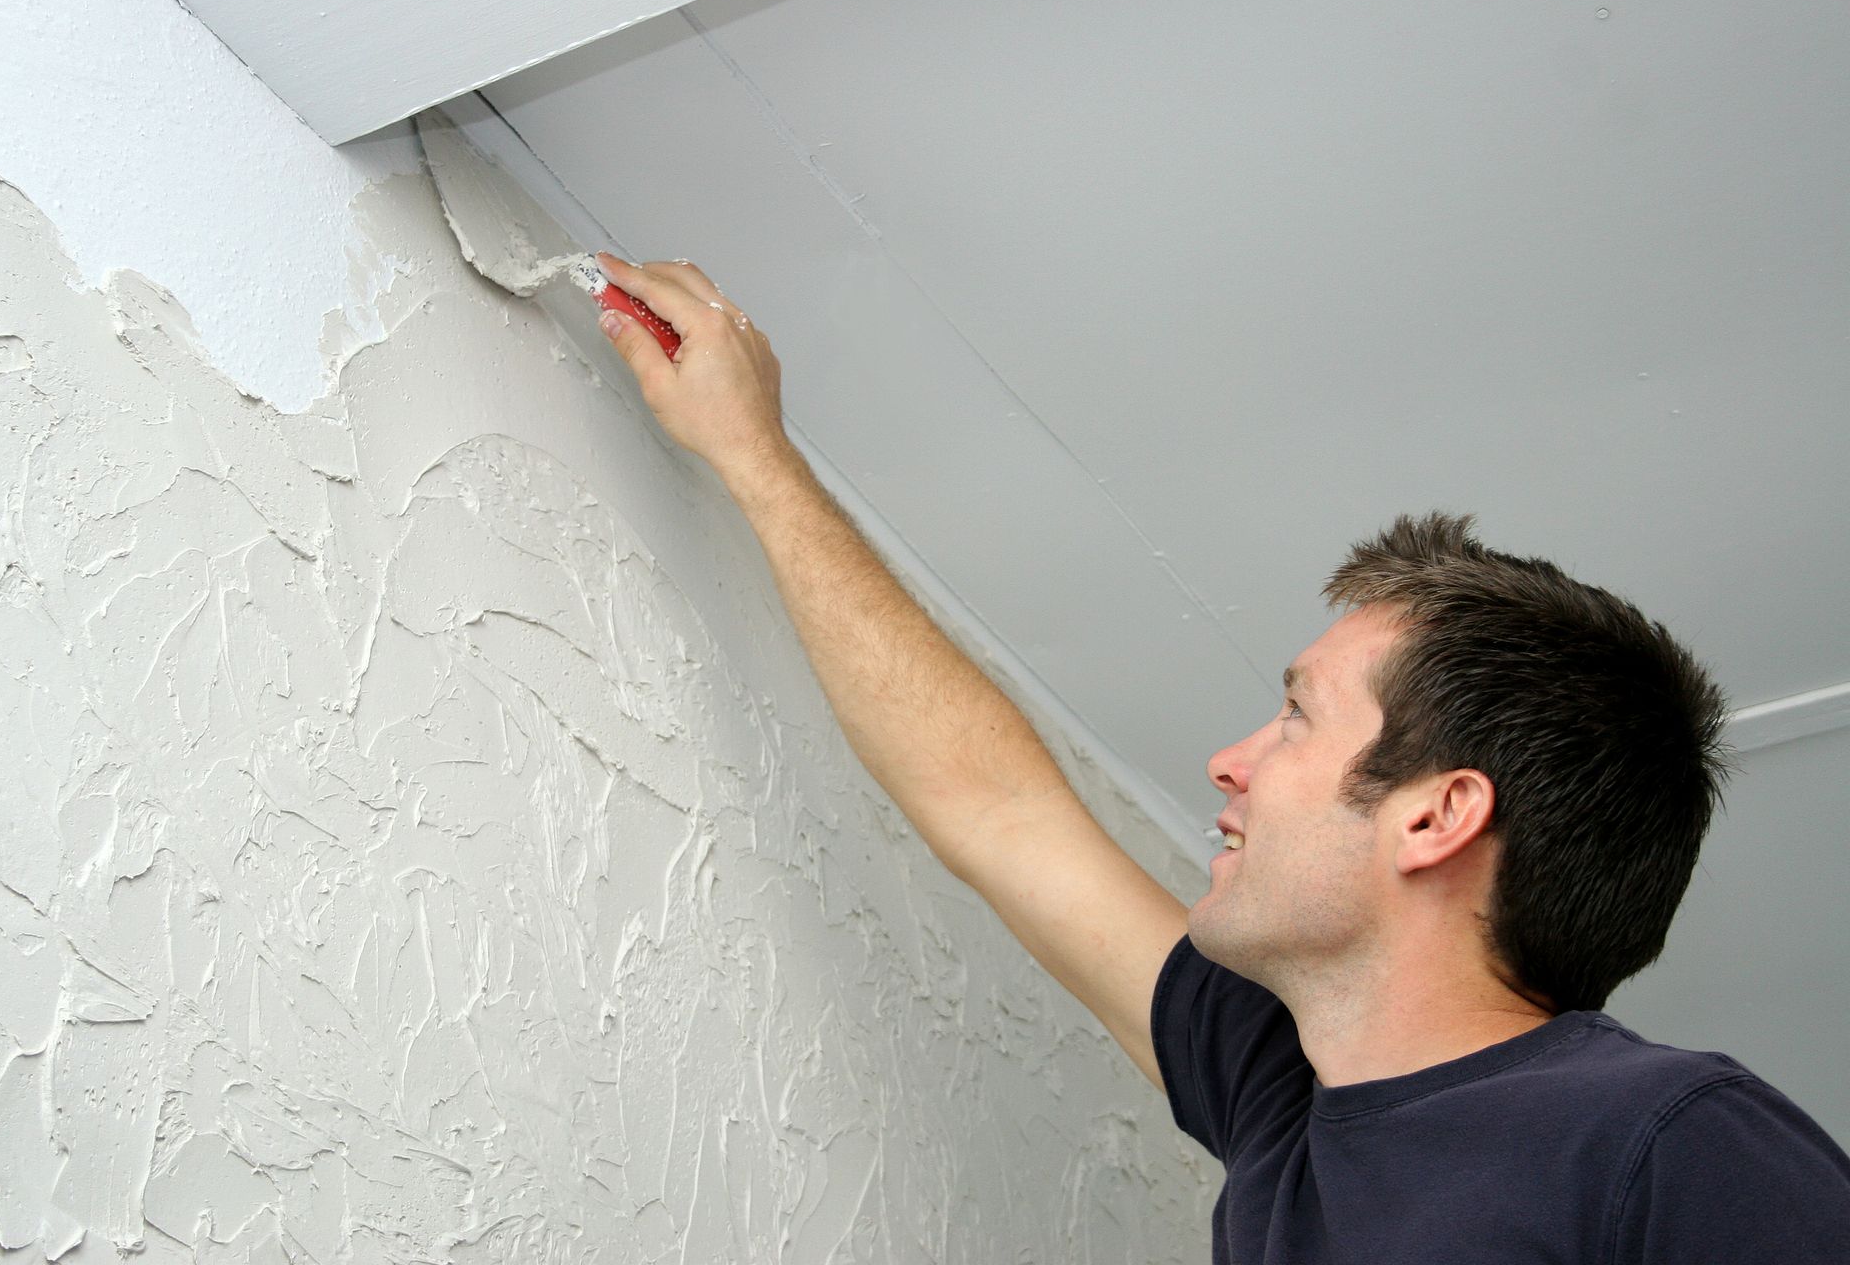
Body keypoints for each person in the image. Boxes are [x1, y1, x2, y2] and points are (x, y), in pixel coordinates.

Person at [592, 254, 1850, 1260]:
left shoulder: (1667, 1143)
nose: (1230, 760)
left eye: (1297, 714)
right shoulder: (1277, 1093)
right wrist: (753, 457)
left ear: (1437, 815)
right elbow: (1000, 809)